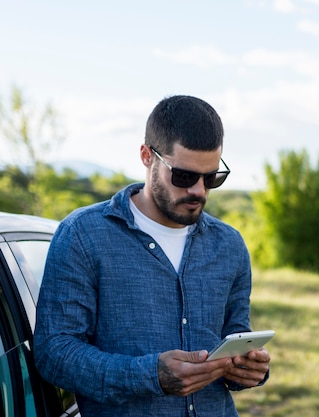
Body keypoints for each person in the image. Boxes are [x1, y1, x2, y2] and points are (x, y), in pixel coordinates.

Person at [33, 95, 271, 417]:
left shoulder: (229, 245)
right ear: (147, 156)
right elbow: (55, 353)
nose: (199, 191)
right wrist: (151, 375)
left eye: (212, 177)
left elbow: (236, 336)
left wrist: (248, 370)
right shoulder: (82, 235)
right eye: (184, 176)